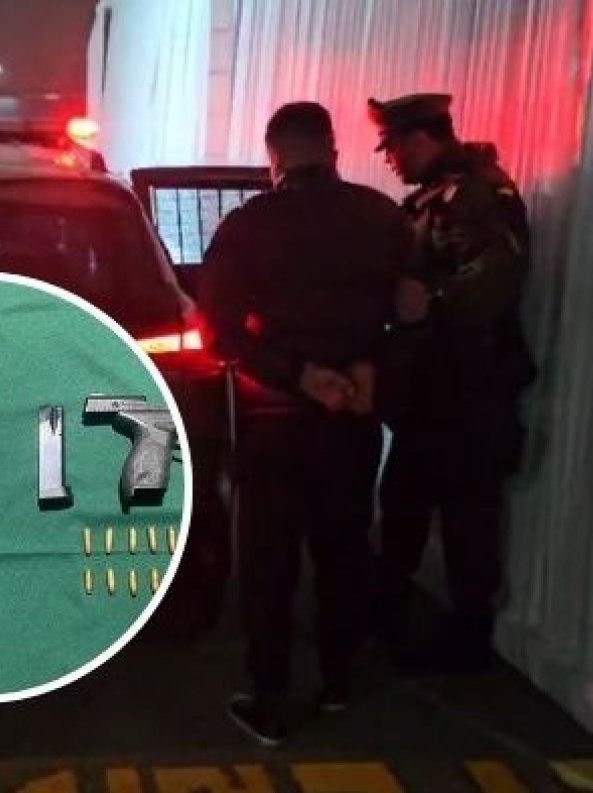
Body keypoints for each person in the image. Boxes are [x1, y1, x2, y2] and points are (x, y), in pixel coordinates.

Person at [198, 102, 410, 746]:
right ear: (333, 149)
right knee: (343, 550)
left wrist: (299, 374)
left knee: (269, 563)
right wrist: (368, 367)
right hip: (353, 417)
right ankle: (337, 682)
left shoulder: (248, 224)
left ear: (274, 158)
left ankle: (270, 700)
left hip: (276, 419)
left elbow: (219, 331)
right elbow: (411, 311)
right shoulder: (382, 215)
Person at [368, 93, 535, 673]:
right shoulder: (440, 196)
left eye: (392, 148)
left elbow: (497, 277)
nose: (390, 161)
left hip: (467, 392)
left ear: (419, 139)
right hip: (431, 391)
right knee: (404, 507)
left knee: (467, 524)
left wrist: (432, 302)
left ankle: (466, 644)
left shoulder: (480, 194)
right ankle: (387, 618)